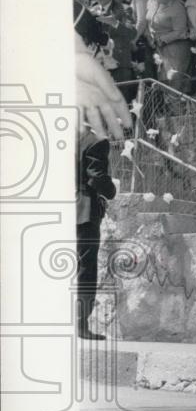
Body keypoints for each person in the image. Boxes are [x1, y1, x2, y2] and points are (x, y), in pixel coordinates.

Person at [75, 126, 117, 340]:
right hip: (83, 211)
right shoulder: (95, 140)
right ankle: (80, 326)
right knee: (85, 269)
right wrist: (111, 191)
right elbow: (96, 176)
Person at [88, 0, 137, 100]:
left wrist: (115, 23)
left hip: (119, 63)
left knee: (122, 103)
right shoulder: (91, 11)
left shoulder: (124, 9)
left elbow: (132, 33)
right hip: (97, 64)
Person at [146, 0, 192, 93]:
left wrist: (162, 39)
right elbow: (148, 20)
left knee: (175, 81)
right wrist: (150, 37)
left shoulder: (177, 7)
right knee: (163, 81)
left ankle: (179, 109)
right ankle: (170, 109)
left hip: (176, 48)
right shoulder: (153, 2)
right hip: (159, 48)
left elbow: (180, 31)